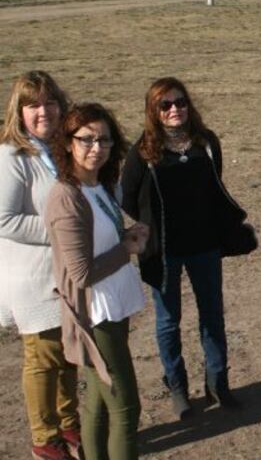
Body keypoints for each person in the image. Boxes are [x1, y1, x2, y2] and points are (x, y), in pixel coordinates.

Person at [120, 77, 243, 420]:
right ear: (154, 111)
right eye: (165, 105)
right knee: (168, 321)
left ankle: (218, 384)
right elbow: (126, 196)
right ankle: (177, 388)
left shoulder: (206, 143)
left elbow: (214, 185)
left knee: (212, 315)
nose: (175, 109)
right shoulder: (143, 151)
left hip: (204, 245)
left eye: (180, 102)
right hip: (163, 251)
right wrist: (151, 226)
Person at [45, 103, 149, 460]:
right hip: (95, 316)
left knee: (99, 404)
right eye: (86, 139)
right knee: (125, 408)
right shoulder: (66, 196)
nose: (96, 147)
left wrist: (127, 236)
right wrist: (128, 247)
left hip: (112, 303)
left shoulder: (98, 184)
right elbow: (82, 273)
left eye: (104, 139)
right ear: (68, 142)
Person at [0, 71, 81, 460]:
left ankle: (69, 424)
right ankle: (44, 437)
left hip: (65, 271)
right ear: (19, 112)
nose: (43, 111)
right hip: (33, 275)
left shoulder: (61, 147)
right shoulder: (12, 155)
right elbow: (5, 219)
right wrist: (62, 230)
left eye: (50, 102)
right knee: (42, 356)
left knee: (68, 350)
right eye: (33, 105)